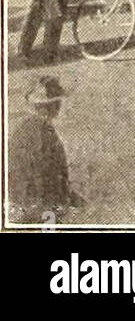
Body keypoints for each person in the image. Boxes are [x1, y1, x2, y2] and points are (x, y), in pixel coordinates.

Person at [9, 77, 82, 223]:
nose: (59, 106)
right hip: (39, 206)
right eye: (57, 103)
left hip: (25, 203)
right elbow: (46, 175)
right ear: (50, 106)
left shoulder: (25, 129)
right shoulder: (43, 132)